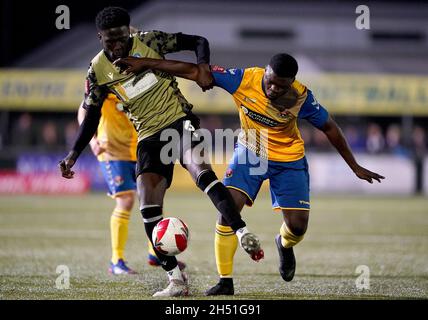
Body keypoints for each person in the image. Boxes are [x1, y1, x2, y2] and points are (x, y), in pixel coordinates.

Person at [113, 52, 385, 295]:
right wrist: (145, 62)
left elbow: (330, 127)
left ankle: (285, 244)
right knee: (228, 209)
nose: (275, 88)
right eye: (272, 81)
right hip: (251, 149)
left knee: (298, 227)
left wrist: (355, 166)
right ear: (265, 71)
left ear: (291, 82)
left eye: (282, 85)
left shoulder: (301, 97)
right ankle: (225, 281)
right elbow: (194, 70)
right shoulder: (243, 79)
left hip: (289, 157)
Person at [58, 7, 262, 297]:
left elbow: (198, 41)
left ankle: (241, 231)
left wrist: (203, 66)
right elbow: (91, 115)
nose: (116, 45)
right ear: (99, 37)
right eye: (109, 40)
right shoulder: (97, 71)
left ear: (128, 31)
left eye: (120, 37)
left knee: (201, 172)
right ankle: (176, 280)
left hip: (179, 121)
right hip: (148, 136)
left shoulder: (150, 41)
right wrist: (73, 154)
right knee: (147, 205)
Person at [78, 93, 184, 274]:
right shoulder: (105, 82)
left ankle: (156, 253)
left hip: (141, 148)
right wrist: (92, 139)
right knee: (126, 200)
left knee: (153, 199)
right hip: (112, 151)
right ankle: (116, 260)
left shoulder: (139, 81)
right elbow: (83, 109)